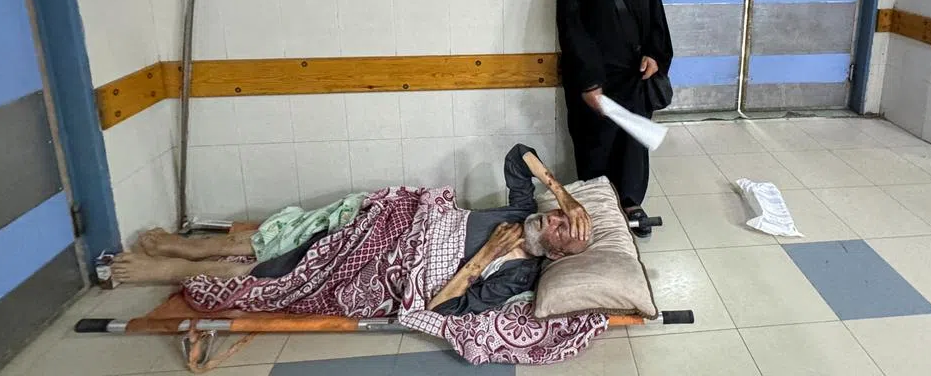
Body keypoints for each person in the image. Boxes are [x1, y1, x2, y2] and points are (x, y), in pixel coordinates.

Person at [110, 144, 591, 316]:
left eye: (563, 228)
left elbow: (446, 305)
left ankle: (171, 267)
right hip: (395, 218)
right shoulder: (521, 211)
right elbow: (517, 154)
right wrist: (563, 190)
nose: (555, 217)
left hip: (388, 262)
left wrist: (484, 256)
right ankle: (193, 244)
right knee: (290, 230)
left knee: (281, 269)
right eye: (561, 212)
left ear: (558, 255)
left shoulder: (519, 275)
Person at [556, 0, 673, 237]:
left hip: (635, 73)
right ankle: (598, 206)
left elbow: (655, 9)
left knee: (633, 143)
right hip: (597, 77)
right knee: (598, 142)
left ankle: (632, 202)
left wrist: (656, 54)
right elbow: (571, 24)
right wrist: (588, 81)